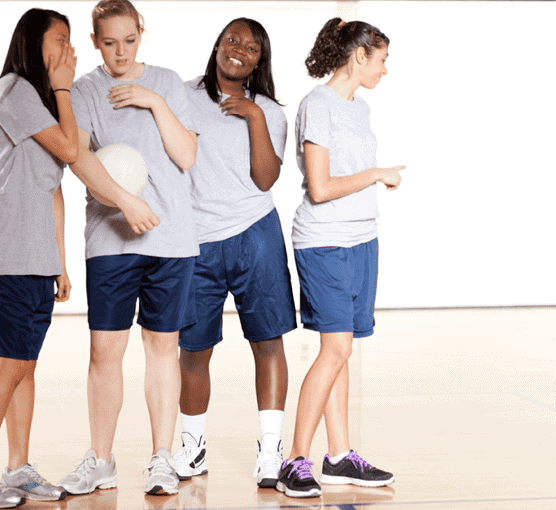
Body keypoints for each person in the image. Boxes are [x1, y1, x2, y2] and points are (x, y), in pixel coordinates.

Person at [56, 0, 199, 497]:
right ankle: (101, 460)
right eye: (110, 43)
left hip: (171, 239)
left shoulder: (168, 82)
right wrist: (125, 202)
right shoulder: (84, 91)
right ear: (95, 41)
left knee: (163, 347)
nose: (121, 52)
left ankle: (162, 457)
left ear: (142, 32)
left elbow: (186, 155)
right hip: (110, 240)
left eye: (130, 41)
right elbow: (79, 158)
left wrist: (154, 101)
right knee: (104, 350)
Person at [275, 17, 403, 499]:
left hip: (362, 239)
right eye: (382, 59)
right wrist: (376, 174)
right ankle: (294, 460)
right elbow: (321, 187)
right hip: (324, 242)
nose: (385, 69)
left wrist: (374, 178)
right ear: (359, 55)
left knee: (340, 347)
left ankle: (339, 455)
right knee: (336, 350)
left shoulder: (360, 107)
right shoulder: (318, 104)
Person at [0, 8, 76, 508]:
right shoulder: (15, 92)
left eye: (70, 41)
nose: (69, 51)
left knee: (25, 366)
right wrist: (65, 88)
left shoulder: (36, 103)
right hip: (6, 254)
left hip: (34, 257)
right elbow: (72, 149)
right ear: (32, 43)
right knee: (9, 367)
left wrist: (60, 260)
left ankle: (18, 468)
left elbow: (53, 187)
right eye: (59, 40)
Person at [174, 18, 296, 489]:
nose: (239, 50)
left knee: (268, 342)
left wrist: (255, 117)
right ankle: (193, 448)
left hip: (255, 234)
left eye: (251, 47)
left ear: (260, 60)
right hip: (197, 239)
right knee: (193, 349)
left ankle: (270, 451)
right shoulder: (183, 96)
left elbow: (266, 179)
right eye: (232, 40)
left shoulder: (269, 111)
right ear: (217, 45)